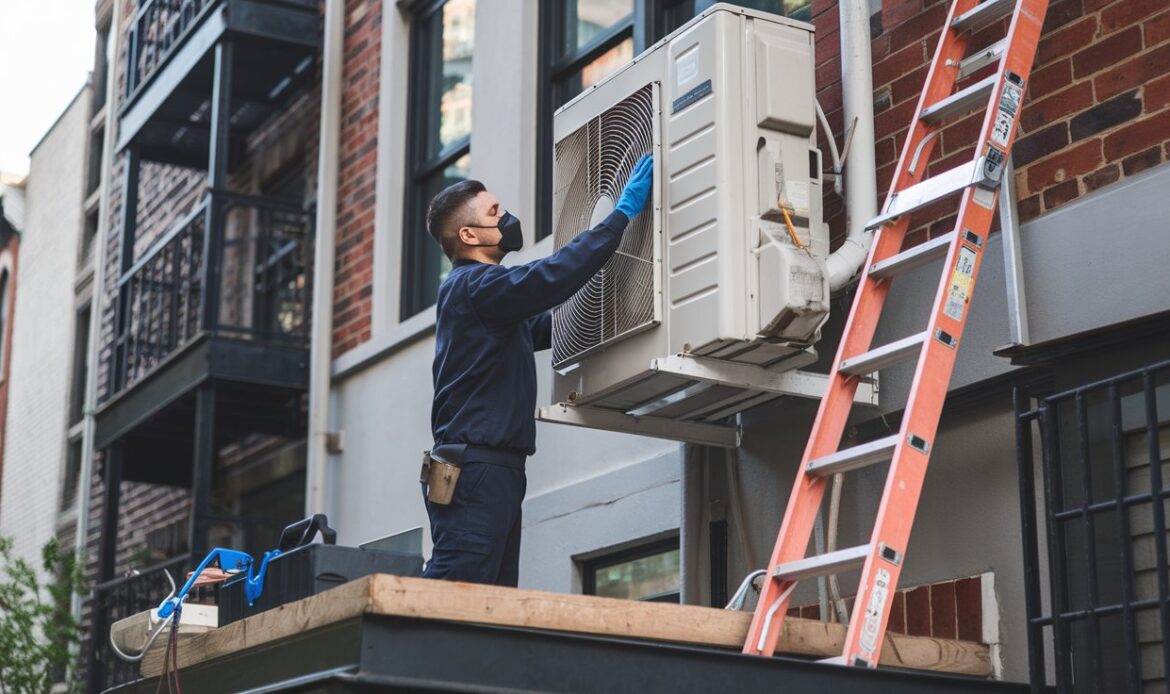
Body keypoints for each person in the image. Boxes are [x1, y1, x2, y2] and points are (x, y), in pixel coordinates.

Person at [420, 154, 655, 587]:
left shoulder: (488, 300)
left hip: (495, 469)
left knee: (493, 601)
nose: (508, 217)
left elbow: (546, 325)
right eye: (495, 213)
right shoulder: (474, 286)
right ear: (469, 234)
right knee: (456, 592)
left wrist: (617, 286)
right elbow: (550, 276)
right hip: (476, 470)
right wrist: (619, 218)